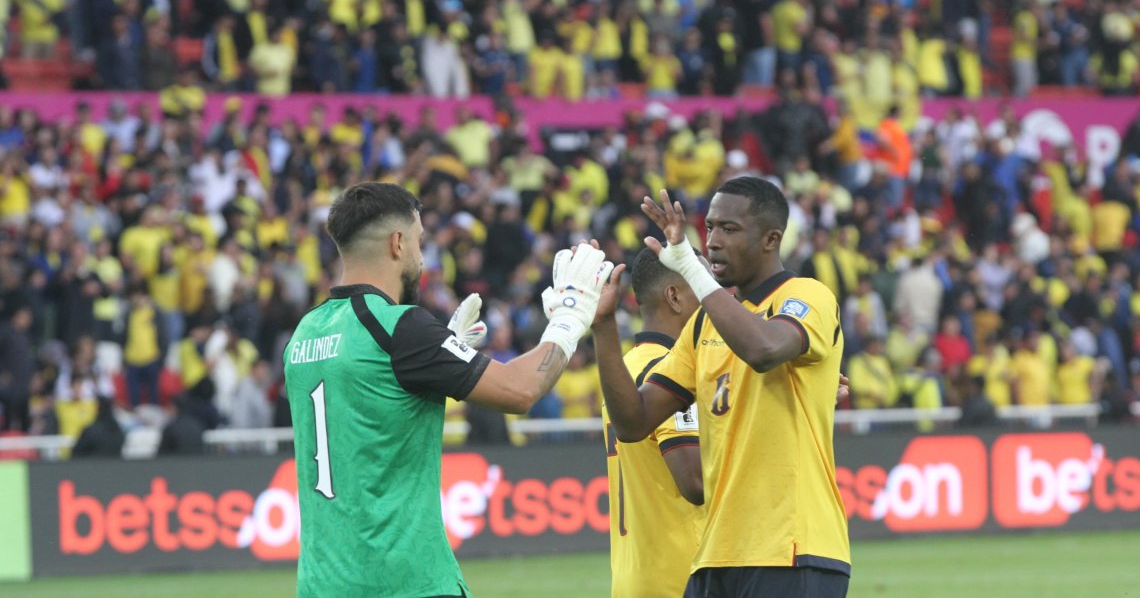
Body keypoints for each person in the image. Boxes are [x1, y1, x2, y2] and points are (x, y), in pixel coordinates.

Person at [283, 182, 612, 597]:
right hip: (406, 582)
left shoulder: (304, 333)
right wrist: (571, 316)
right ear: (398, 243)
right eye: (420, 241)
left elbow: (370, 405)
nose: (422, 255)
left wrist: (443, 355)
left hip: (322, 584)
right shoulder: (400, 326)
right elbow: (522, 390)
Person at [595, 178, 851, 597]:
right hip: (715, 555)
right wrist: (602, 327)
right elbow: (633, 422)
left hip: (793, 549)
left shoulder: (809, 295)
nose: (713, 241)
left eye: (729, 229)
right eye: (710, 227)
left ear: (771, 239)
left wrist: (694, 274)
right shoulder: (703, 323)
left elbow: (764, 348)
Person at [591, 248, 704, 598]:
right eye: (703, 284)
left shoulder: (626, 367)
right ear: (675, 296)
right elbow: (696, 482)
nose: (716, 299)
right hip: (684, 577)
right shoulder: (672, 372)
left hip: (634, 578)